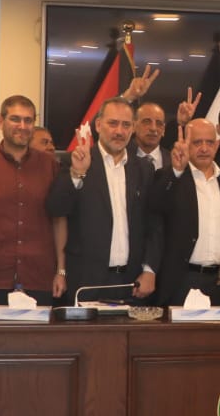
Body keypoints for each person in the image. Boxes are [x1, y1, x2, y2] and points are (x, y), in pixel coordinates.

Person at [47, 98, 154, 303]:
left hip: (131, 283)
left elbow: (152, 223)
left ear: (133, 128)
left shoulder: (143, 168)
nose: (119, 131)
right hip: (86, 282)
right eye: (113, 123)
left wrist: (149, 269)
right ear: (98, 125)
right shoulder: (76, 160)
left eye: (126, 125)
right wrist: (77, 174)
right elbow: (56, 209)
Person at [0, 96, 63, 306]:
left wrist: (61, 270)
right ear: (1, 121)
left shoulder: (49, 164)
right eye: (15, 119)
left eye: (28, 120)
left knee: (39, 331)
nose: (22, 126)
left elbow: (58, 219)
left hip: (39, 276)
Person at [145, 119, 220, 306]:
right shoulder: (170, 176)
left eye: (209, 142)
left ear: (217, 145)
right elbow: (154, 208)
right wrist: (176, 171)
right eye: (197, 142)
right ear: (185, 144)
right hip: (181, 280)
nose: (204, 149)